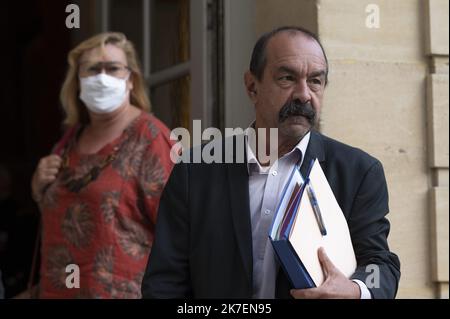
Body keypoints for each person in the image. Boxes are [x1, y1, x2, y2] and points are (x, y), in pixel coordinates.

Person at [141, 26, 401, 299]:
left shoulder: (357, 172)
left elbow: (379, 265)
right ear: (252, 87)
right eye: (288, 78)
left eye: (315, 81)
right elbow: (164, 283)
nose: (303, 94)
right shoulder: (196, 171)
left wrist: (355, 290)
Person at [31, 32, 174, 298]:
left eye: (113, 68)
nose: (102, 77)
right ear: (78, 81)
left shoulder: (152, 138)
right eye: (93, 69)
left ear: (131, 80)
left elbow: (180, 233)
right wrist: (38, 189)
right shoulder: (67, 142)